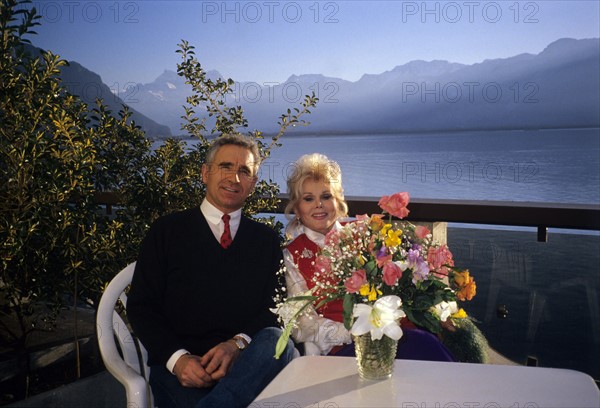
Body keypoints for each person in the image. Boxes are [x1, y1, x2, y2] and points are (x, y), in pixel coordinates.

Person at [127, 133, 295, 408]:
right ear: (205, 173)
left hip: (246, 368)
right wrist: (177, 359)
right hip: (184, 371)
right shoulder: (167, 232)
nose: (234, 178)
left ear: (252, 183)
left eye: (245, 171)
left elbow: (275, 309)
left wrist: (236, 345)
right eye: (225, 166)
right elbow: (142, 307)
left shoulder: (265, 240)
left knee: (278, 342)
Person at [283, 153, 456, 361]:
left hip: (397, 332)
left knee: (427, 346)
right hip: (348, 346)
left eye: (326, 196)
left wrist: (435, 310)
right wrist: (359, 333)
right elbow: (303, 323)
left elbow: (403, 282)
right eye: (309, 198)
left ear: (338, 201)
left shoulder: (365, 233)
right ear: (296, 208)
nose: (319, 204)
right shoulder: (292, 254)